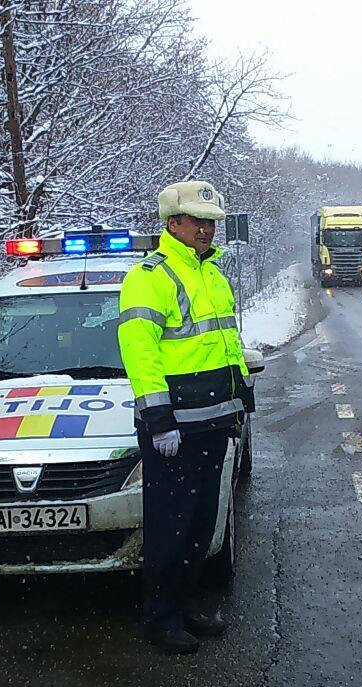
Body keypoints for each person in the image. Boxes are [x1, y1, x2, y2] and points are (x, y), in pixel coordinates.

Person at [117, 181, 255, 654]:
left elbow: (226, 344)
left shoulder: (212, 274)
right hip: (175, 428)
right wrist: (159, 420)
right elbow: (140, 353)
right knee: (170, 526)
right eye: (197, 220)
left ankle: (184, 604)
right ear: (171, 223)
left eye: (211, 221)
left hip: (214, 422)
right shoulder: (150, 276)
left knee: (199, 525)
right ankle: (160, 619)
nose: (206, 228)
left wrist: (241, 400)